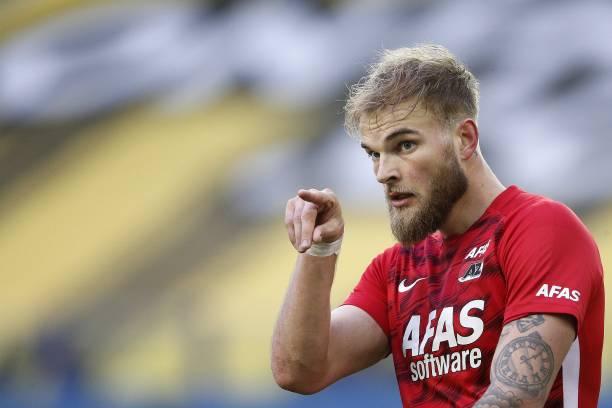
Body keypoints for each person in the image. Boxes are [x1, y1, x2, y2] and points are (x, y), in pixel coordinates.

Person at [270, 44, 604, 407]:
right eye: (375, 154)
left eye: (405, 145)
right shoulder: (396, 268)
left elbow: (515, 398)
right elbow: (299, 371)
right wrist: (320, 248)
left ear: (465, 139)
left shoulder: (540, 228)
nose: (384, 172)